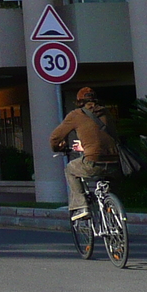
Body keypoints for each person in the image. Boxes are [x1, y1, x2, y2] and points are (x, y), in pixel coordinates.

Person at [49, 86, 123, 220]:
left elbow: (55, 137)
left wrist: (58, 148)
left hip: (93, 161)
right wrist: (85, 147)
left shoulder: (76, 115)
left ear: (79, 101)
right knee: (110, 185)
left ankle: (81, 206)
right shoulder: (106, 112)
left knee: (70, 169)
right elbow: (109, 137)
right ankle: (113, 213)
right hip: (115, 162)